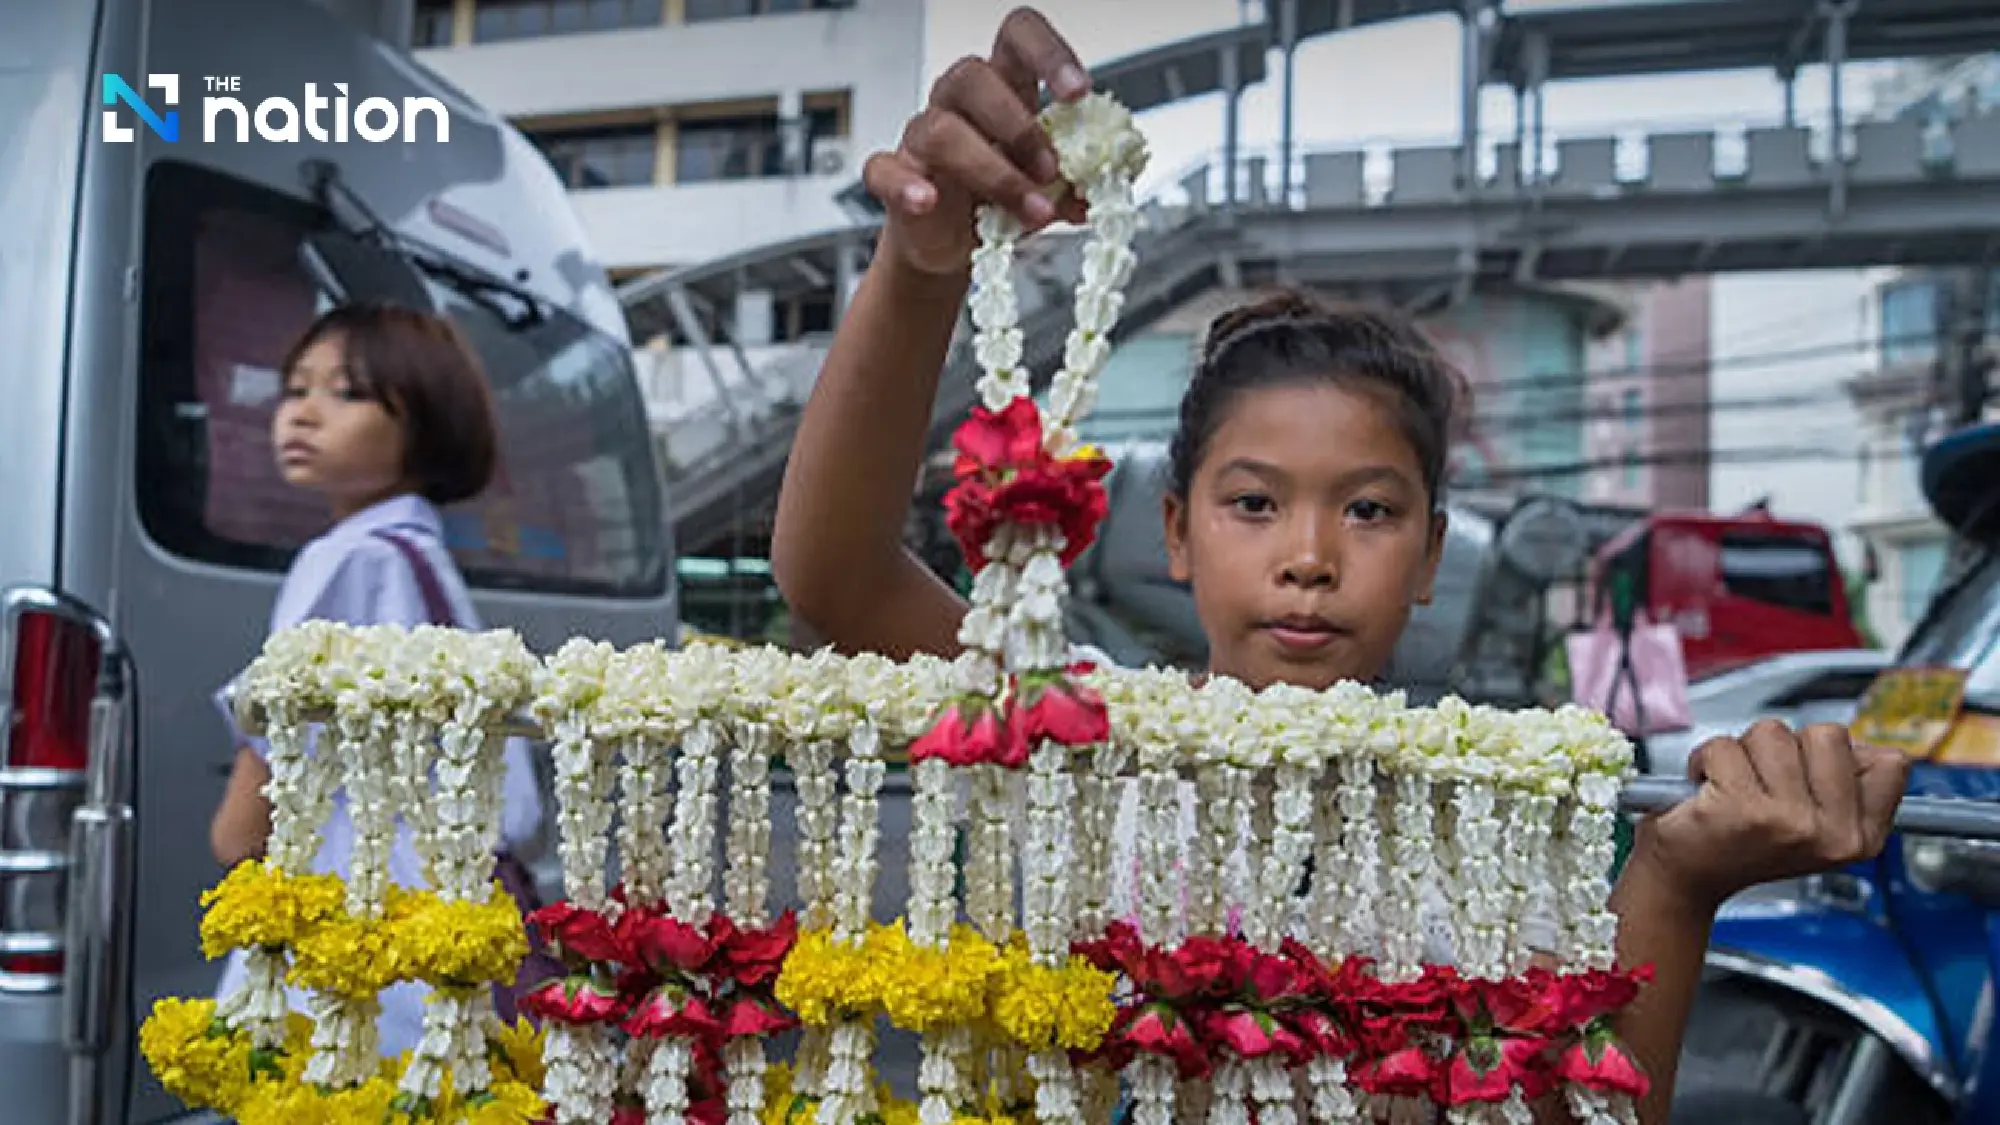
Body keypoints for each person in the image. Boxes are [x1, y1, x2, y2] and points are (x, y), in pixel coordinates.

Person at [767, 9, 1909, 1122]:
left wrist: (1674, 881)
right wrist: (921, 266)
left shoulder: (1507, 829)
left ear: (1428, 555)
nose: (1308, 560)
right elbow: (836, 573)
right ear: (1174, 531)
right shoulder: (1081, 742)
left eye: (1367, 511)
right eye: (1252, 504)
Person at [207, 303, 545, 1053]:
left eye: (348, 392)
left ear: (422, 424)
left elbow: (265, 762)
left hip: (360, 921)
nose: (304, 411)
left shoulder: (349, 558)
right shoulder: (420, 559)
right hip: (440, 915)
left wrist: (235, 838)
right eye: (295, 388)